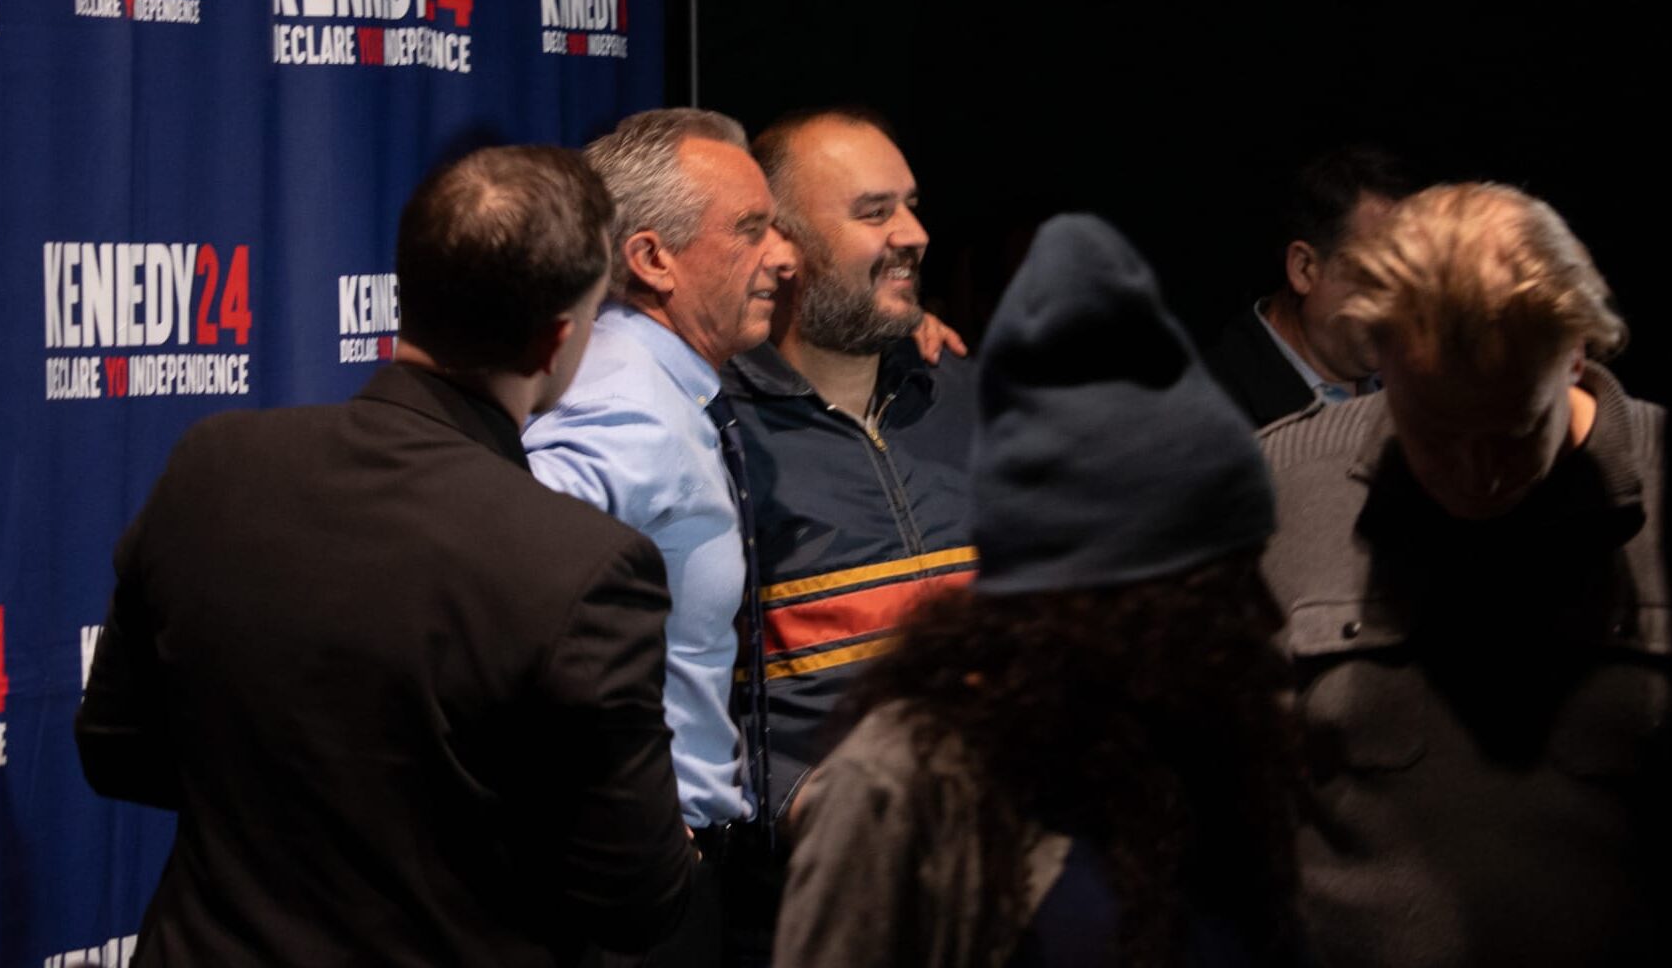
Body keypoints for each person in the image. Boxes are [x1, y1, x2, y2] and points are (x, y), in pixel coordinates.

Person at [75, 146, 694, 966]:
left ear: (410, 292)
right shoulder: (586, 566)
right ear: (555, 341)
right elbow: (636, 898)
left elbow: (118, 748)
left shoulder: (212, 463)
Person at [776, 214, 1304, 968]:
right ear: (1100, 597)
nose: (1256, 613)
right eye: (1209, 586)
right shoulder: (907, 785)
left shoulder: (1209, 743)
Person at [1259, 182, 1672, 966]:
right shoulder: (1271, 493)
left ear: (1577, 354)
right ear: (1380, 360)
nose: (1479, 476)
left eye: (1515, 434)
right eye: (1436, 434)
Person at [524, 107, 797, 965]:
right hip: (626, 893)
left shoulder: (668, 383)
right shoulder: (623, 407)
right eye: (751, 230)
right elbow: (497, 610)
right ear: (650, 258)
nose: (783, 257)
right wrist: (617, 823)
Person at [723, 107, 979, 825]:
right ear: (783, 243)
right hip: (814, 904)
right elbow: (666, 705)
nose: (915, 235)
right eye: (875, 212)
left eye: (912, 207)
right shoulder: (711, 432)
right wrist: (804, 801)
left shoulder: (964, 395)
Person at [1205, 146, 1411, 426]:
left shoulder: (1414, 383)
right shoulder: (1212, 416)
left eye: (1414, 273)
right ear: (1303, 268)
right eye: (1380, 272)